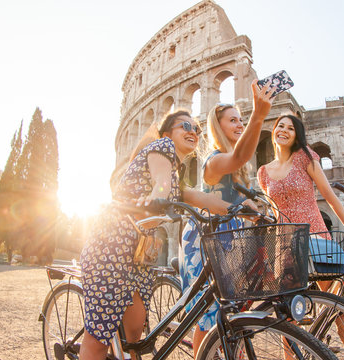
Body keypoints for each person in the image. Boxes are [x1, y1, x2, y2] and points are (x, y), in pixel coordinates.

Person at [79, 110, 232, 360]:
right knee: (99, 336)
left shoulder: (176, 173)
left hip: (140, 252)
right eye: (185, 126)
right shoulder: (161, 147)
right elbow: (161, 181)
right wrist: (158, 195)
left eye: (197, 129)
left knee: (136, 335)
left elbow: (201, 198)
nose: (193, 131)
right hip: (111, 243)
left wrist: (243, 210)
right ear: (166, 133)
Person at [179, 79, 275, 358]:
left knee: (233, 311)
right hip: (206, 240)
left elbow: (239, 199)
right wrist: (259, 116)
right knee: (208, 315)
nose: (239, 124)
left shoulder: (237, 172)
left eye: (242, 120)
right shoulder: (214, 160)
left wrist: (256, 210)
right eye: (232, 120)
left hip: (231, 239)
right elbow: (238, 157)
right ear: (217, 126)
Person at [257, 114, 344, 357]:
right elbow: (274, 211)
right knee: (288, 310)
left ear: (296, 135)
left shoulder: (305, 156)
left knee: (336, 303)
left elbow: (330, 196)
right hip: (285, 243)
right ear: (274, 131)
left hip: (316, 235)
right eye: (280, 126)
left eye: (290, 128)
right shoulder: (263, 172)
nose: (284, 130)